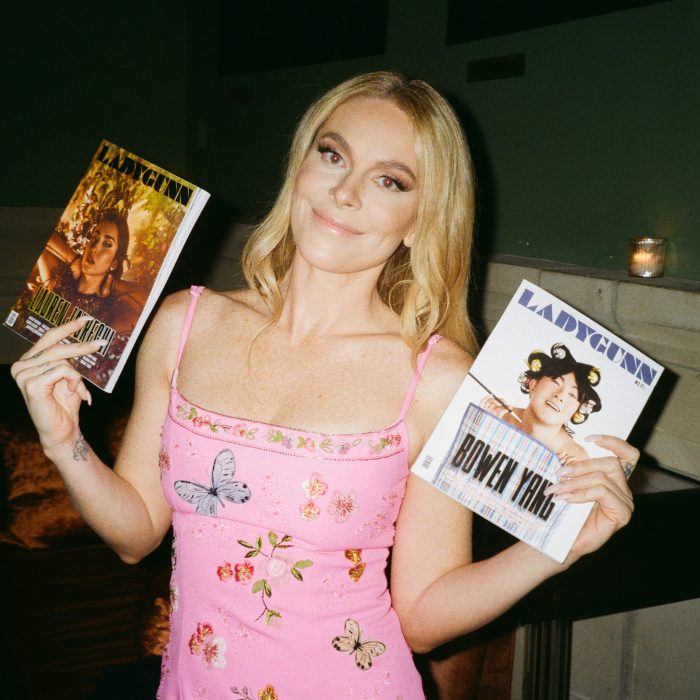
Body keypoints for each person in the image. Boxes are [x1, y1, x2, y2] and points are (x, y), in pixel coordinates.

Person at [11, 71, 637, 699]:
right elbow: (137, 533)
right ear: (300, 167)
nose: (344, 192)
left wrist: (556, 548)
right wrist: (65, 442)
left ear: (420, 221)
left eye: (390, 181)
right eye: (333, 155)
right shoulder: (184, 325)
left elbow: (421, 619)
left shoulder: (437, 380)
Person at [480, 342, 603, 462]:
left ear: (577, 410)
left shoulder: (575, 457)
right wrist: (482, 424)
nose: (560, 395)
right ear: (533, 384)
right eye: (556, 382)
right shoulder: (497, 416)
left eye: (572, 394)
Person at [32, 208, 143, 334]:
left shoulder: (107, 313)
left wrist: (113, 284)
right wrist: (73, 258)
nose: (95, 247)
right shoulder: (60, 281)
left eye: (107, 244)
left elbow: (150, 306)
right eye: (94, 238)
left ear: (114, 263)